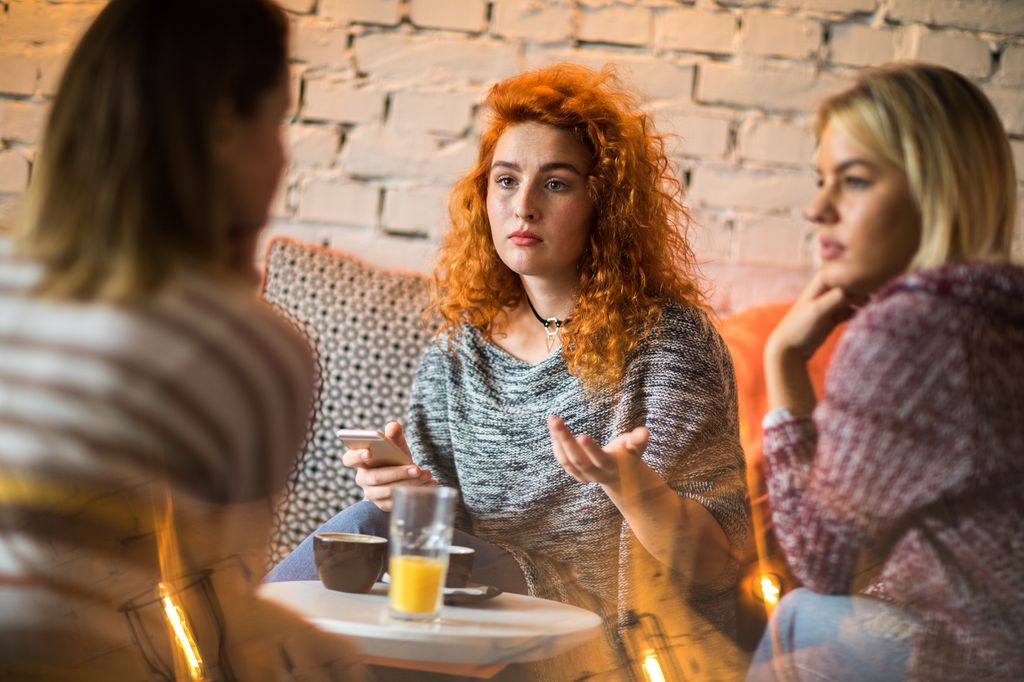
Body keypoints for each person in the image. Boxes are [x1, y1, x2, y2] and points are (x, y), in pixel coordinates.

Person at [269, 64, 750, 673]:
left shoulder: (669, 344)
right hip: (479, 620)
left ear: (603, 203)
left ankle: (222, 645)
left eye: (556, 184)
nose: (523, 206)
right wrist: (413, 498)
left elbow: (717, 565)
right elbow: (446, 544)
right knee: (370, 524)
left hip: (615, 637)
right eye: (505, 180)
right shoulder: (459, 351)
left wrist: (633, 488)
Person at [0, 1, 364, 679]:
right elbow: (215, 629)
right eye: (278, 121)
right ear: (225, 127)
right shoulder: (247, 346)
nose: (283, 155)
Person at [748, 62, 1024, 681]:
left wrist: (783, 360)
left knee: (797, 612)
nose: (817, 209)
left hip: (978, 659)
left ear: (935, 189)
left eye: (854, 181)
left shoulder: (911, 328)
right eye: (820, 180)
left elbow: (822, 561)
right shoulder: (998, 313)